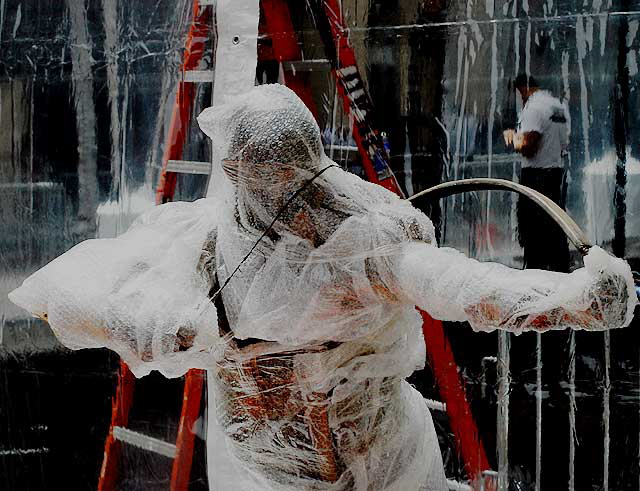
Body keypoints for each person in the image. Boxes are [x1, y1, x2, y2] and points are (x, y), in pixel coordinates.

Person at [9, 84, 637, 491]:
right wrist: (168, 327)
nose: (297, 200)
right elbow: (69, 290)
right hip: (266, 471)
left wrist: (570, 300)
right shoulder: (205, 238)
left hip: (384, 460)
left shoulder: (361, 240)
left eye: (300, 177)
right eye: (271, 180)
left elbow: (463, 284)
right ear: (236, 172)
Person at [504, 73, 571, 272]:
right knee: (555, 226)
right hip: (555, 172)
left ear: (522, 89)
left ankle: (535, 273)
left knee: (533, 230)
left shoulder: (533, 108)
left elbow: (529, 146)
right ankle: (559, 271)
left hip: (535, 176)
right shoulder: (558, 106)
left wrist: (512, 138)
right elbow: (565, 143)